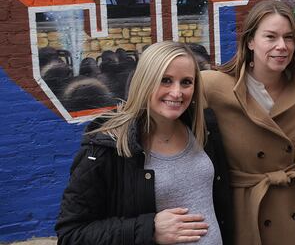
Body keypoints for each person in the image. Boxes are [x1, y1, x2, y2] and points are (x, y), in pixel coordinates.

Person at [56, 41, 234, 244]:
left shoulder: (204, 129)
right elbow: (71, 234)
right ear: (145, 81)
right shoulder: (107, 146)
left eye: (186, 82)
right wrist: (149, 230)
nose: (177, 93)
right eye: (165, 80)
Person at [201, 0, 295, 245]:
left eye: (288, 37)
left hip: (294, 209)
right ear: (250, 41)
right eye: (270, 37)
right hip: (245, 210)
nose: (281, 46)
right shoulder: (213, 87)